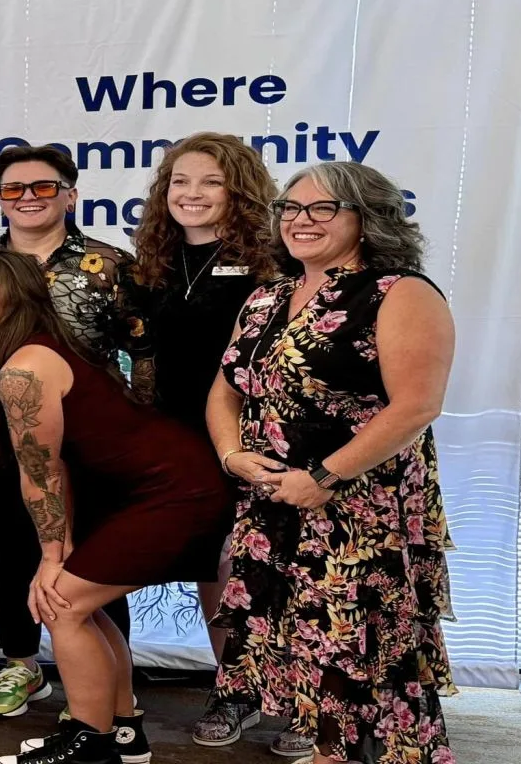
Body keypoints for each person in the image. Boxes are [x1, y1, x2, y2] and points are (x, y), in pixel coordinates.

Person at [0, 246, 231, 764]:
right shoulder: (13, 354)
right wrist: (61, 547)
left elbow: (42, 471)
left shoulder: (24, 367)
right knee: (80, 606)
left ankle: (90, 742)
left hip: (175, 493)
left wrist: (52, 557)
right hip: (149, 491)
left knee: (62, 604)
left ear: (14, 298)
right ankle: (123, 731)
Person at [207, 161, 457, 764]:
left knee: (358, 665)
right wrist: (233, 455)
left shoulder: (399, 292)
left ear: (367, 218)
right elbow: (226, 388)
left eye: (323, 208)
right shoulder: (268, 296)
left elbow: (417, 406)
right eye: (290, 208)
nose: (301, 220)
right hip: (275, 508)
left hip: (359, 516)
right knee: (302, 662)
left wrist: (323, 477)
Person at [0, 145, 151, 718]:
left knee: (92, 561)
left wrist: (137, 424)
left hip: (85, 439)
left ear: (71, 194)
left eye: (43, 186)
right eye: (13, 189)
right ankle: (22, 664)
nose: (28, 198)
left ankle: (106, 687)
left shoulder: (111, 265)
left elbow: (143, 352)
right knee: (8, 551)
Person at [128, 132, 281, 750]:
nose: (192, 194)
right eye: (181, 181)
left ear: (239, 191)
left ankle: (306, 704)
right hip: (178, 436)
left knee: (264, 566)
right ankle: (235, 688)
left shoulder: (273, 262)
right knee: (214, 566)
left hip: (257, 435)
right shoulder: (153, 263)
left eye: (211, 182)